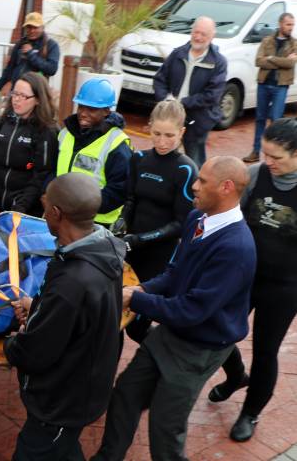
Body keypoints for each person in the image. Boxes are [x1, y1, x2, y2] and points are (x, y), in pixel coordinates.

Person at [91, 156, 256, 461]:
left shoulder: (236, 248)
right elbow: (176, 272)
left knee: (165, 429)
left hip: (199, 347)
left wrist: (135, 300)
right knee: (126, 394)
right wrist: (142, 289)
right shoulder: (197, 219)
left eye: (202, 181)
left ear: (226, 187)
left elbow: (192, 311)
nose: (194, 186)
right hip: (171, 333)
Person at [4, 173, 125, 460]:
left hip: (61, 402)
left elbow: (36, 352)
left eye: (45, 207)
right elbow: (81, 315)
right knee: (65, 449)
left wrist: (12, 344)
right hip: (85, 383)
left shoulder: (72, 283)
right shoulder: (103, 247)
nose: (43, 213)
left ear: (57, 213)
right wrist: (38, 307)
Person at [207, 118, 297, 442]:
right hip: (244, 276)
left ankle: (251, 412)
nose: (268, 161)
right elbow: (232, 219)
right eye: (265, 153)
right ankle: (235, 376)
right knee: (218, 333)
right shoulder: (257, 175)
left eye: (277, 157)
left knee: (265, 351)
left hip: (285, 287)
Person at [111, 98, 197, 342]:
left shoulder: (185, 170)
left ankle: (162, 356)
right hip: (130, 247)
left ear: (182, 133)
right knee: (114, 316)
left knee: (137, 327)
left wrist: (140, 239)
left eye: (169, 135)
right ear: (149, 128)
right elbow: (131, 200)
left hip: (159, 255)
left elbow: (181, 224)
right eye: (156, 134)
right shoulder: (139, 158)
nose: (162, 142)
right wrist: (122, 222)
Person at [0, 72, 59, 216]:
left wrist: (20, 207)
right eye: (15, 94)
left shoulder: (46, 131)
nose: (16, 100)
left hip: (24, 212)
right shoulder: (1, 123)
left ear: (38, 100)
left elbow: (41, 176)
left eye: (23, 96)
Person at [56, 78, 133, 227]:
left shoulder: (117, 144)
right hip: (63, 213)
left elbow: (119, 190)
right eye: (81, 107)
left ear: (106, 111)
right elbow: (52, 170)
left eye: (91, 109)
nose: (83, 113)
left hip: (96, 222)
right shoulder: (65, 134)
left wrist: (82, 207)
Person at [153, 16, 228, 168]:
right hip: (171, 116)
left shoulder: (218, 62)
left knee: (194, 162)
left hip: (198, 120)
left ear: (212, 36)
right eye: (196, 32)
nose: (198, 37)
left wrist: (181, 103)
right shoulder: (177, 54)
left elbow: (212, 95)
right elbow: (160, 79)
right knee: (164, 156)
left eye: (203, 34)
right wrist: (165, 101)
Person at [243, 13, 297, 163]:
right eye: (288, 24)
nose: (291, 27)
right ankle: (255, 151)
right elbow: (258, 61)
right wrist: (282, 61)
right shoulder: (267, 40)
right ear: (280, 24)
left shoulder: (294, 43)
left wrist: (271, 58)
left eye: (292, 24)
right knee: (260, 118)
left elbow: (290, 64)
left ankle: (274, 154)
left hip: (281, 86)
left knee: (275, 119)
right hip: (264, 84)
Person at [0, 12, 60, 98]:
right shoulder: (20, 43)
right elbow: (9, 69)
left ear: (42, 28)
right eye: (29, 27)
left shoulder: (51, 45)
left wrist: (31, 54)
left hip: (36, 95)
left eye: (35, 27)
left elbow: (52, 69)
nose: (32, 31)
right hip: (16, 92)